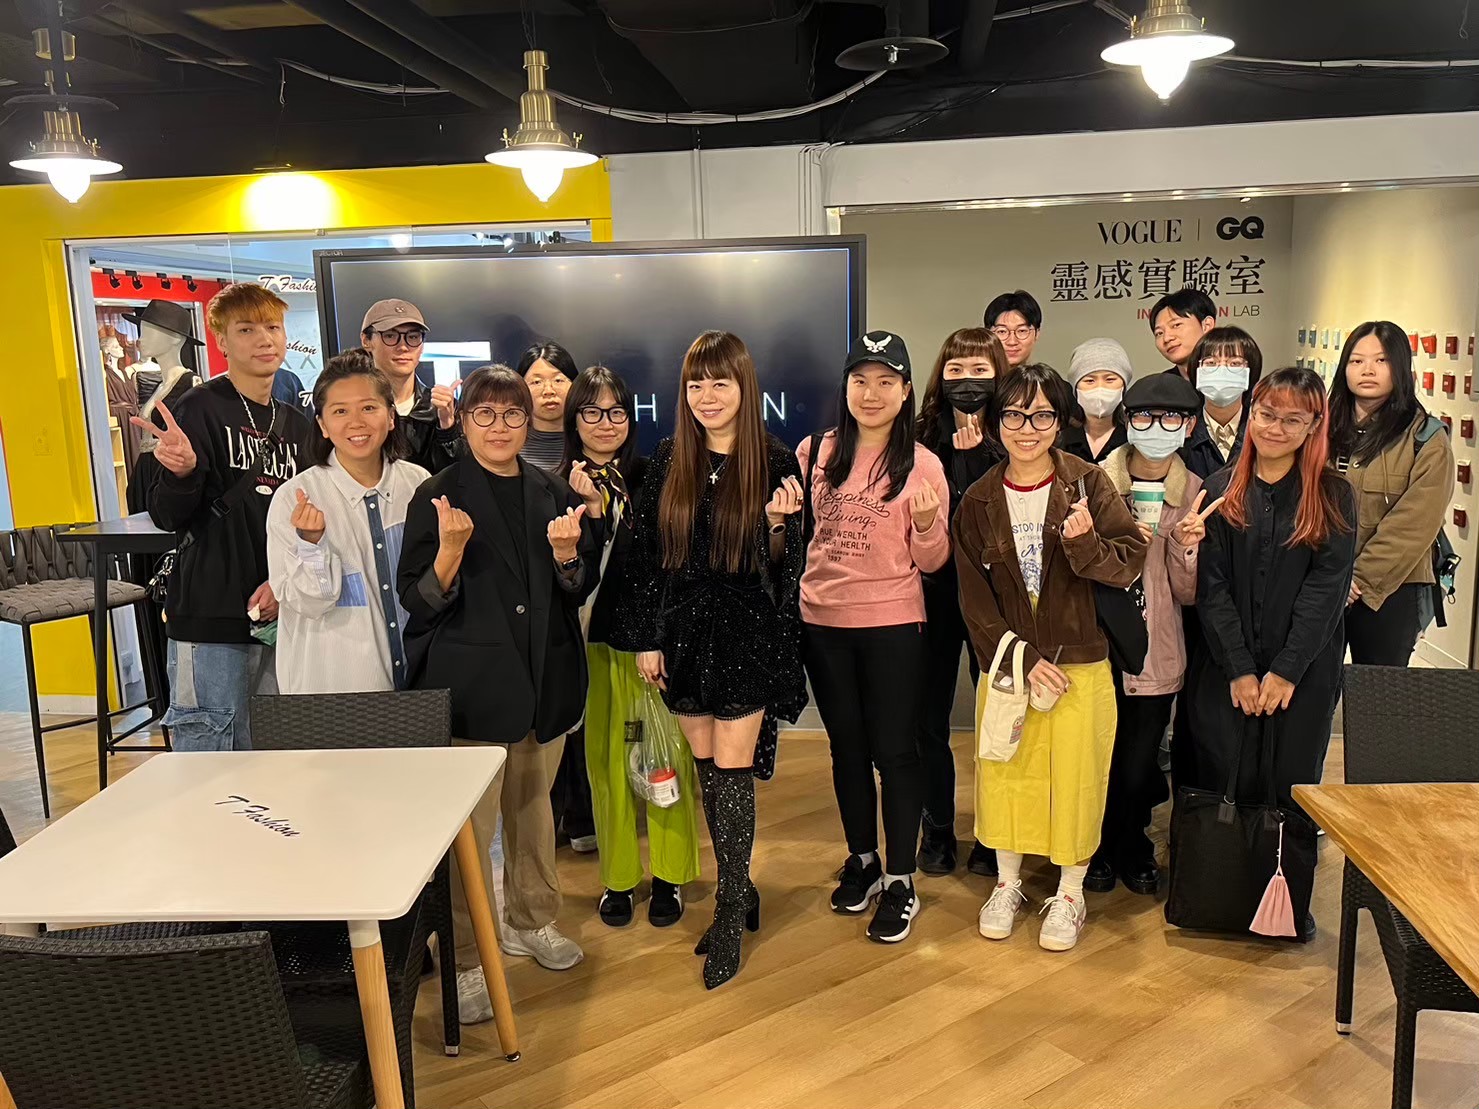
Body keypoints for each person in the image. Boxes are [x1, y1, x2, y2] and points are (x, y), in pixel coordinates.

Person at [397, 365, 602, 1017]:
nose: (499, 427)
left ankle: (530, 918)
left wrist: (568, 556)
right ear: (463, 420)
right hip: (473, 692)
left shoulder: (550, 490)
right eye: (484, 414)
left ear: (527, 421)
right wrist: (449, 551)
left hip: (544, 682)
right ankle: (464, 956)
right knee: (470, 831)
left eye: (512, 414)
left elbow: (578, 586)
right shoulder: (438, 494)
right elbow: (417, 601)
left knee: (532, 811)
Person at [613, 330, 808, 989]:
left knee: (732, 769)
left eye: (719, 382)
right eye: (695, 383)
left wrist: (778, 526)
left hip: (747, 633)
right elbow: (644, 556)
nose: (706, 395)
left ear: (744, 386)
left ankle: (728, 912)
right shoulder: (672, 456)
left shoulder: (775, 459)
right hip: (683, 634)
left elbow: (786, 570)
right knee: (705, 768)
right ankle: (739, 887)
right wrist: (646, 639)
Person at [953, 364, 1147, 952]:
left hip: (1080, 666)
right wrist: (1021, 656)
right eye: (1014, 415)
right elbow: (973, 597)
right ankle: (1007, 883)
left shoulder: (1088, 484)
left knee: (1077, 777)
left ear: (1060, 422)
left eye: (1041, 415)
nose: (1027, 428)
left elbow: (1129, 562)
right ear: (996, 423)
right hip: (1011, 666)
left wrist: (1084, 543)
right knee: (1006, 772)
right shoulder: (979, 499)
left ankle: (1070, 893)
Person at [1176, 367, 1356, 937]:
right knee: (1220, 772)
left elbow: (1326, 591)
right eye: (1266, 414)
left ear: (1313, 425)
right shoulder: (1221, 488)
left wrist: (1285, 670)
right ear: (1251, 414)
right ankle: (1216, 900)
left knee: (1289, 781)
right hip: (1225, 667)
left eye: (1291, 419)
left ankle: (1280, 910)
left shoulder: (1333, 495)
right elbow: (1213, 587)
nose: (1275, 427)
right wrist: (1240, 669)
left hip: (1302, 672)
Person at [799, 331, 950, 944]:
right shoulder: (815, 452)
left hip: (892, 623)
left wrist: (927, 525)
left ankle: (900, 878)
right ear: (845, 387)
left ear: (906, 391)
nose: (871, 393)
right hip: (821, 621)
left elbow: (933, 561)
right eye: (860, 380)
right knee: (846, 748)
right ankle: (861, 859)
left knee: (895, 752)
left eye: (886, 381)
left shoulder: (923, 463)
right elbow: (806, 539)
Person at [134, 283, 312, 752]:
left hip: (282, 619)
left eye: (273, 327)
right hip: (210, 617)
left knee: (280, 760)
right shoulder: (198, 408)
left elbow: (313, 521)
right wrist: (182, 472)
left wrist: (283, 583)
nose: (264, 339)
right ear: (222, 341)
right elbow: (166, 516)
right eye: (246, 329)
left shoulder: (298, 425)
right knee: (210, 760)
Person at [562, 366, 701, 929]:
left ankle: (669, 875)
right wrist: (592, 516)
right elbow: (570, 579)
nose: (605, 423)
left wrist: (659, 636)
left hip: (653, 647)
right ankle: (618, 879)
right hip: (594, 644)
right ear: (573, 420)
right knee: (607, 766)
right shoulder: (556, 486)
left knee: (665, 760)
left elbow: (674, 561)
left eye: (616, 411)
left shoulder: (656, 476)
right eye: (592, 412)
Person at [1085, 373, 1211, 896]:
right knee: (1095, 754)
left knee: (1138, 761)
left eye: (1171, 418)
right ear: (1126, 421)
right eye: (1144, 416)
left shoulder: (1197, 492)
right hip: (1096, 647)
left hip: (1156, 647)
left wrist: (1184, 546)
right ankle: (1093, 846)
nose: (1157, 427)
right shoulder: (1092, 483)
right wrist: (1114, 545)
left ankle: (1131, 842)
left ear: (1189, 426)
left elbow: (1188, 594)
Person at [266, 349, 429, 694]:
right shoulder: (294, 498)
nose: (356, 422)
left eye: (369, 408)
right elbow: (308, 603)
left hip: (420, 684)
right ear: (322, 425)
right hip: (336, 694)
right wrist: (311, 544)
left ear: (391, 416)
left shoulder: (418, 484)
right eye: (340, 411)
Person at [913, 329, 1008, 878]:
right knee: (928, 719)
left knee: (999, 717)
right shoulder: (921, 435)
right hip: (931, 595)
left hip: (996, 599)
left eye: (979, 370)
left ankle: (995, 833)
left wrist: (980, 459)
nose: (967, 381)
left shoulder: (1015, 431)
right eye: (956, 370)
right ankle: (938, 828)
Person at [1328, 321, 1454, 665]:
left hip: (1391, 590)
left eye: (1381, 360)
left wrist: (1358, 579)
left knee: (1377, 690)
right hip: (1323, 583)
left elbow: (1414, 525)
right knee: (1315, 687)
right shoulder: (1321, 428)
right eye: (1356, 361)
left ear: (1400, 367)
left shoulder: (1426, 438)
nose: (1367, 370)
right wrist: (1328, 577)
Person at [360, 299, 462, 474]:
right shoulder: (352, 407)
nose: (403, 347)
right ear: (366, 340)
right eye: (390, 336)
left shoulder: (442, 408)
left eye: (413, 337)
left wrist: (447, 429)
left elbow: (458, 477)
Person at [1181, 326, 1263, 480]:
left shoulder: (1263, 430)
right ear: (1196, 371)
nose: (1222, 370)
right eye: (1211, 363)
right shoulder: (1181, 432)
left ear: (1250, 372)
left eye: (1235, 363)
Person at [1060, 338, 1134, 464]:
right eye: (1090, 381)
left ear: (1124, 386)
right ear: (1076, 388)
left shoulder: (1133, 439)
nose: (1100, 388)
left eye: (1110, 380)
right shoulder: (1060, 438)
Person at [518, 340, 580, 473]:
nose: (548, 390)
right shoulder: (508, 445)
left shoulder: (591, 443)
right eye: (536, 382)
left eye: (558, 380)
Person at [1150, 287, 1217, 379]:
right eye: (1159, 333)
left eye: (1176, 325)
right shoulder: (1160, 385)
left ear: (1207, 325)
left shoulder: (1234, 377)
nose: (1166, 338)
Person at [984, 290, 1043, 368]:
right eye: (1002, 331)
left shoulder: (1048, 376)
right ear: (988, 335)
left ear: (1037, 334)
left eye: (1022, 331)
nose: (1012, 342)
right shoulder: (973, 375)